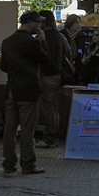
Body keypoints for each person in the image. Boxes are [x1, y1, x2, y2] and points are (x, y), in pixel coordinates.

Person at [0, 11, 46, 176]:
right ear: (31, 23)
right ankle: (28, 164)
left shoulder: (7, 42)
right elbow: (46, 61)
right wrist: (42, 42)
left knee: (10, 128)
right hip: (28, 90)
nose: (40, 26)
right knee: (27, 129)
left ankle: (8, 163)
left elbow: (3, 67)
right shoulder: (32, 42)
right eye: (38, 23)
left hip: (12, 89)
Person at [37, 13, 71, 147]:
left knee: (49, 107)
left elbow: (46, 57)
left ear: (45, 23)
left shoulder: (48, 36)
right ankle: (53, 135)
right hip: (56, 74)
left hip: (48, 75)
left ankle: (50, 137)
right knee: (53, 106)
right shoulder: (58, 35)